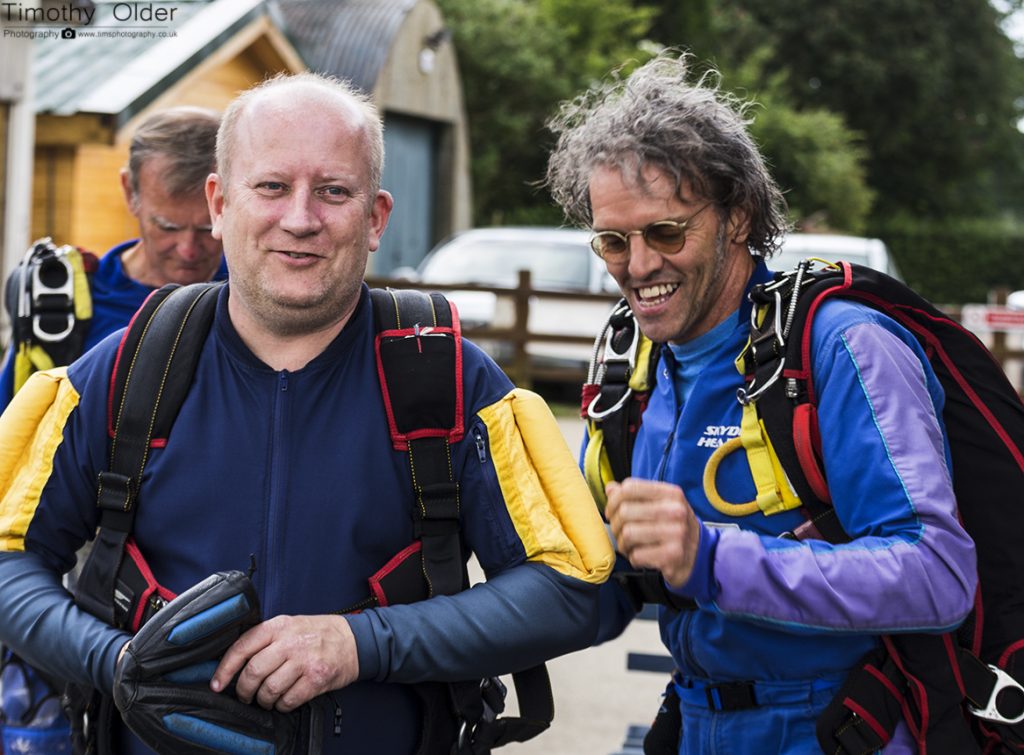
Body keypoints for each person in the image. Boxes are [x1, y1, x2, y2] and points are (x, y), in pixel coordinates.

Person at [0, 71, 613, 754]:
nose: (301, 218)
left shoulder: (448, 378)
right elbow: (8, 556)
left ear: (375, 216)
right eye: (271, 186)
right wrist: (114, 660)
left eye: (333, 191)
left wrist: (359, 644)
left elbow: (569, 588)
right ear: (219, 202)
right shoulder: (123, 371)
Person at [545, 52, 977, 753]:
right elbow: (620, 587)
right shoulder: (633, 363)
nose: (639, 266)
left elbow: (939, 573)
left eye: (666, 232)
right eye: (612, 241)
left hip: (841, 724)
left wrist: (714, 556)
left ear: (738, 215)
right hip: (695, 717)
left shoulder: (844, 347)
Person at [0, 105, 227, 413]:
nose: (188, 249)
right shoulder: (62, 308)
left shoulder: (261, 295)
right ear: (129, 190)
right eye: (167, 226)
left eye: (207, 227)